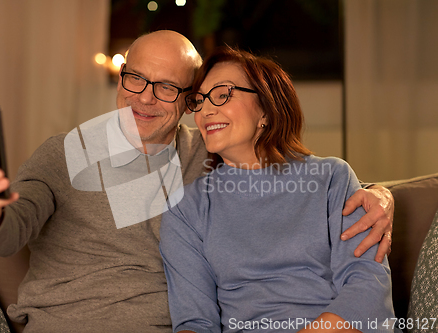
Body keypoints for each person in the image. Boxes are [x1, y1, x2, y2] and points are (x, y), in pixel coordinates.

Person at [0, 31, 393, 332]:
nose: (144, 97)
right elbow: (11, 229)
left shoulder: (207, 152)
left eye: (167, 87)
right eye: (135, 78)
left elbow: (299, 181)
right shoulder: (67, 152)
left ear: (187, 104)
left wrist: (379, 194)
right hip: (71, 323)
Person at [159, 46, 398, 333]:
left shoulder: (332, 177)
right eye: (199, 101)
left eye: (222, 95)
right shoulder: (185, 210)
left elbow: (367, 285)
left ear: (265, 109)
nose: (206, 111)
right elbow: (195, 322)